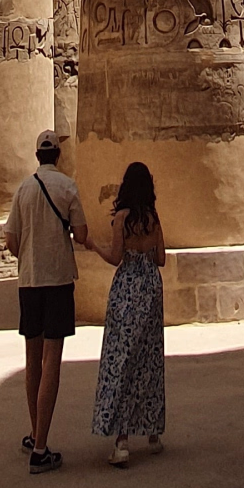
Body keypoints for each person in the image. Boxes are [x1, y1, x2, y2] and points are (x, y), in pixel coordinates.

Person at [4, 129, 94, 474]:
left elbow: (11, 241)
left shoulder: (24, 189)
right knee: (52, 361)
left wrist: (30, 250)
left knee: (33, 360)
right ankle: (41, 448)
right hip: (57, 282)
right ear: (57, 155)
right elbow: (82, 234)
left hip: (29, 281)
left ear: (37, 156)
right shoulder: (68, 187)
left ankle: (34, 432)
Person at [90, 162, 168, 468]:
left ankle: (121, 440)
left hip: (127, 289)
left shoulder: (122, 219)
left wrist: (92, 245)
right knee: (149, 360)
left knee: (120, 360)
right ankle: (152, 433)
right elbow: (161, 258)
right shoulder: (152, 218)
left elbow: (115, 257)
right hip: (151, 286)